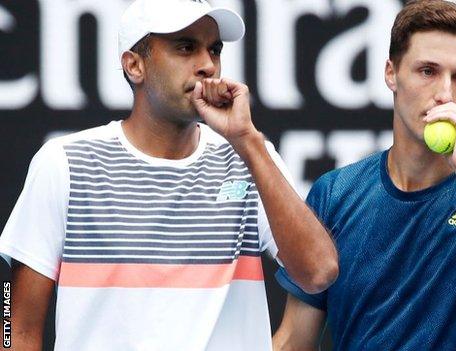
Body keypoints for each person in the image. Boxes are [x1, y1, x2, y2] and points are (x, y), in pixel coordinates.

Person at [0, 0, 338, 350]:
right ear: (134, 65)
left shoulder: (251, 157)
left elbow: (318, 273)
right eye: (185, 47)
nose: (208, 65)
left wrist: (248, 142)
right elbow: (14, 328)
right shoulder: (63, 163)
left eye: (214, 49)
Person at [272, 1, 456, 350]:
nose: (445, 94)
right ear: (391, 73)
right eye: (427, 71)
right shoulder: (334, 194)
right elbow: (293, 341)